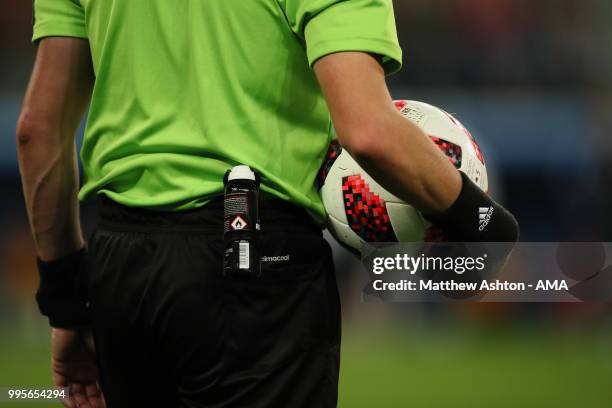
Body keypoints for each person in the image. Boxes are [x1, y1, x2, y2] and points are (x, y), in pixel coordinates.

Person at [17, 1, 518, 407]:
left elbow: (39, 133)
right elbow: (369, 132)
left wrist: (66, 302)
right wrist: (481, 220)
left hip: (119, 267)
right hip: (253, 266)